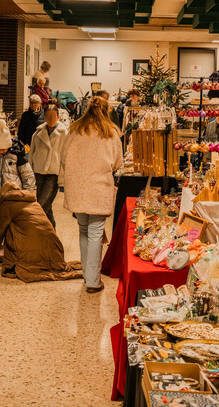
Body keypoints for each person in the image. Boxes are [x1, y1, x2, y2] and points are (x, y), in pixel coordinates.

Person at [61, 96, 123, 294]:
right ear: (106, 111)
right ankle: (93, 280)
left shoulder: (75, 129)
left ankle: (88, 275)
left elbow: (63, 158)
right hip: (98, 188)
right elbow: (117, 163)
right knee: (96, 233)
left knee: (83, 230)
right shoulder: (111, 132)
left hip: (78, 187)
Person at [0, 182, 81, 283]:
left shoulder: (7, 204)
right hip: (53, 249)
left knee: (11, 228)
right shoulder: (33, 202)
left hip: (28, 251)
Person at [29, 103, 67, 228]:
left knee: (40, 205)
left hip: (54, 173)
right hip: (39, 171)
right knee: (47, 206)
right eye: (48, 116)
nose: (51, 119)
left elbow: (66, 156)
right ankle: (51, 233)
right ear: (44, 116)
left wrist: (64, 177)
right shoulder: (38, 132)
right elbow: (32, 153)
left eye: (53, 116)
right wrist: (30, 171)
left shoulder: (64, 134)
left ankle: (32, 230)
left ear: (58, 116)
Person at [0, 119, 35, 202]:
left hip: (16, 195)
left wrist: (28, 195)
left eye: (3, 149)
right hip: (1, 195)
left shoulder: (17, 154)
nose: (1, 151)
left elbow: (28, 176)